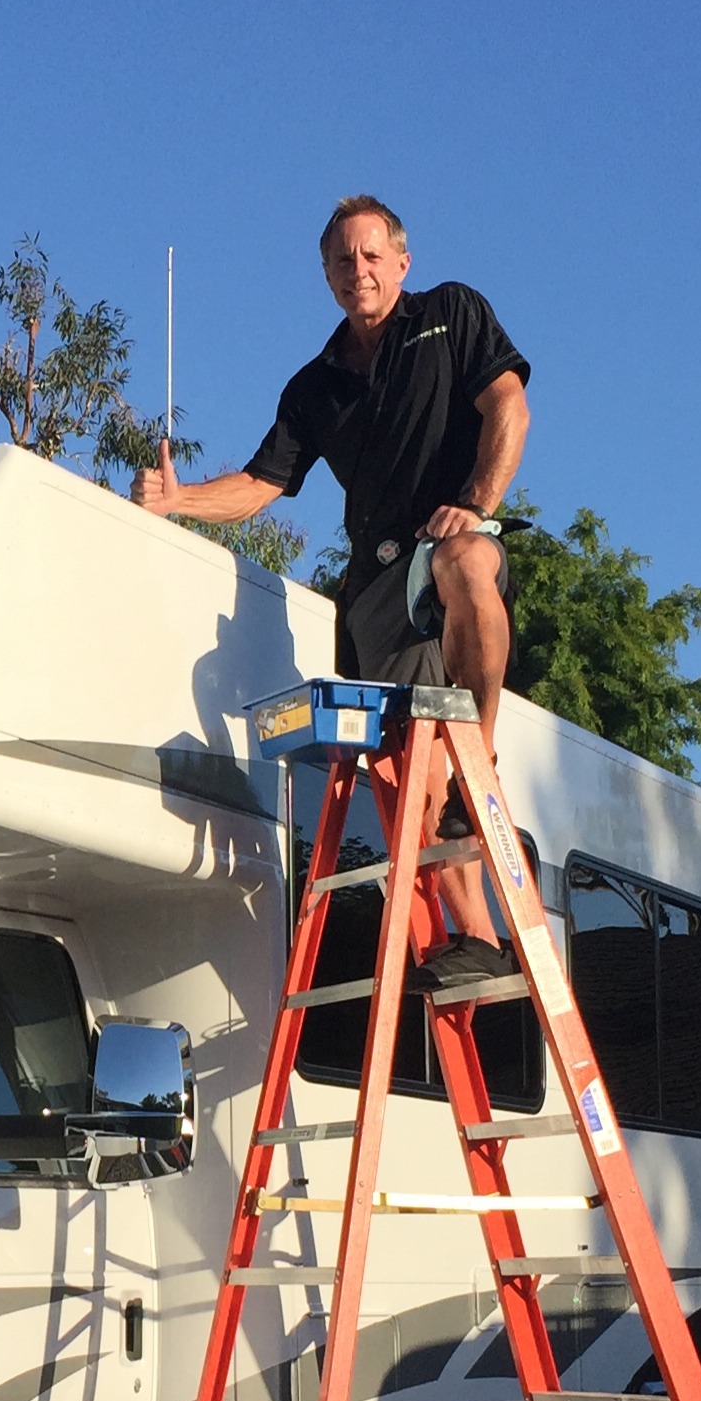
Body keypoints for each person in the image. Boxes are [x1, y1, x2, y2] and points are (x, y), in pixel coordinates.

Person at [133, 195, 530, 990]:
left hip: (443, 544)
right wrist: (178, 502)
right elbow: (260, 483)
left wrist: (478, 504)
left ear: (401, 262)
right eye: (344, 262)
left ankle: (478, 759)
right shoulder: (314, 385)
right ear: (326, 275)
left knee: (469, 564)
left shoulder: (453, 315)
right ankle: (481, 941)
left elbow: (509, 405)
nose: (361, 272)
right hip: (374, 591)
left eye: (373, 255)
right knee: (412, 788)